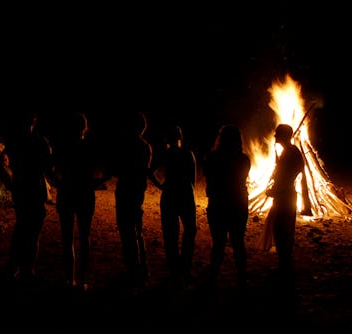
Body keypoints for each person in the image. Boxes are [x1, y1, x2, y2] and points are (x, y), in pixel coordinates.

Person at [53, 112, 103, 291]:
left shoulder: (64, 147)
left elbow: (50, 167)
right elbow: (102, 170)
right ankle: (82, 280)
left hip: (67, 193)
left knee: (67, 238)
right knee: (84, 237)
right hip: (84, 194)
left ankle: (69, 279)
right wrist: (95, 183)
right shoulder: (89, 147)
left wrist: (57, 182)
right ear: (85, 128)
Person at [103, 112, 153, 287]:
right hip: (138, 190)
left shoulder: (124, 145)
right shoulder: (145, 147)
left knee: (126, 230)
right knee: (136, 229)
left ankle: (134, 268)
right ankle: (142, 267)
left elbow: (115, 169)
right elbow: (144, 171)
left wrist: (100, 180)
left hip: (125, 190)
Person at [3, 112, 54, 281]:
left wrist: (9, 183)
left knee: (21, 226)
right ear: (34, 121)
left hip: (20, 190)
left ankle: (14, 265)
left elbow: (1, 165)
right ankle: (27, 269)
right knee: (33, 231)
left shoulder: (14, 143)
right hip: (35, 190)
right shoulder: (40, 142)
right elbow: (49, 167)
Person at [202, 124, 251, 290]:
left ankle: (214, 275)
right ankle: (242, 277)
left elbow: (208, 178)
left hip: (218, 203)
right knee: (238, 241)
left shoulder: (212, 157)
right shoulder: (244, 159)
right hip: (238, 203)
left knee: (218, 242)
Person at [149, 125, 197, 286]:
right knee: (190, 230)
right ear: (179, 138)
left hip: (169, 193)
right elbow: (193, 177)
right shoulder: (187, 153)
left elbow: (150, 171)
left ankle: (174, 267)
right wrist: (189, 188)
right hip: (185, 193)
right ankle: (186, 266)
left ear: (167, 139)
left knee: (171, 233)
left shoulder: (166, 154)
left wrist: (160, 185)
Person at [264, 123, 304, 290]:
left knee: (283, 231)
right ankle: (284, 266)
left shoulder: (291, 154)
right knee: (283, 231)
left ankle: (285, 268)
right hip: (286, 195)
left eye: (277, 135)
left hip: (285, 196)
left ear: (283, 136)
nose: (274, 137)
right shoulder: (290, 152)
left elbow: (286, 176)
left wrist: (274, 191)